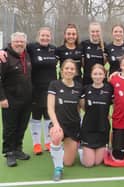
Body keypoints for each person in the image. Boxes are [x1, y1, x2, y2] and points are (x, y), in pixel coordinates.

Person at [48, 59, 84, 181]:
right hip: (59, 123)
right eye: (67, 68)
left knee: (68, 162)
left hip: (73, 126)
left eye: (72, 69)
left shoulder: (79, 87)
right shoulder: (54, 84)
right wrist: (56, 125)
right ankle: (58, 168)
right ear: (62, 70)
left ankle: (58, 152)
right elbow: (50, 109)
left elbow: (83, 107)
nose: (69, 71)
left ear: (76, 72)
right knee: (56, 136)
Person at [0, 32, 32, 167]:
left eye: (22, 42)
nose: (19, 44)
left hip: (26, 99)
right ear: (11, 43)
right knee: (10, 128)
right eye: (17, 42)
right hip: (10, 100)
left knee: (22, 125)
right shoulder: (4, 57)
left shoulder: (28, 55)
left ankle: (18, 149)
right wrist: (2, 98)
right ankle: (9, 153)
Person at [28, 27, 57, 155]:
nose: (45, 38)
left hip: (50, 89)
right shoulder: (31, 47)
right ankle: (36, 144)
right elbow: (15, 48)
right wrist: (3, 51)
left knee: (48, 115)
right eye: (42, 36)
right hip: (35, 88)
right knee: (36, 116)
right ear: (38, 36)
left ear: (50, 37)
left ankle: (47, 142)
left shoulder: (54, 49)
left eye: (47, 36)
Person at [80, 64, 113, 167]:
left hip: (102, 129)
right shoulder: (85, 89)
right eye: (95, 74)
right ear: (91, 75)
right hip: (88, 129)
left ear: (104, 75)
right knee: (89, 164)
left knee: (98, 162)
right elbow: (83, 107)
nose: (98, 76)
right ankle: (81, 149)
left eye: (100, 74)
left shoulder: (109, 89)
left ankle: (105, 147)